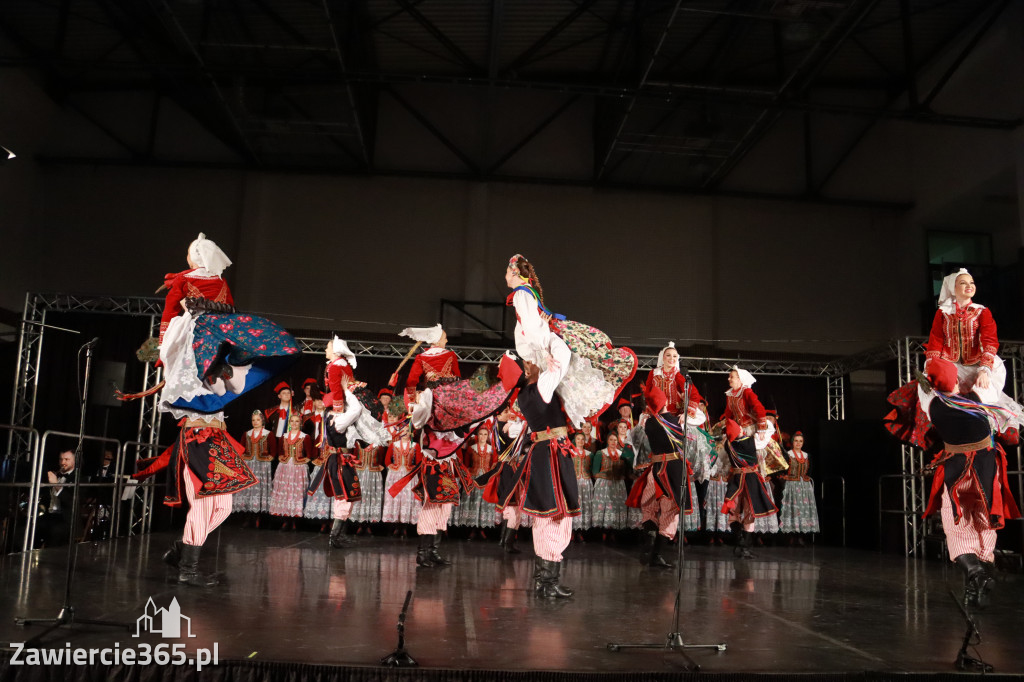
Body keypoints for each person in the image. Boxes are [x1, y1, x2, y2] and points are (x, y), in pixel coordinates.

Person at [134, 233, 298, 586]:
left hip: (217, 430)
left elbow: (233, 322)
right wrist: (164, 344)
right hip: (194, 435)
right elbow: (165, 320)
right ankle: (189, 569)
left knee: (223, 506)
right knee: (204, 503)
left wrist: (234, 345)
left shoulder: (220, 290)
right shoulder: (183, 288)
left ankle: (182, 549)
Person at [913, 358, 1020, 609]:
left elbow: (926, 385)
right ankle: (979, 579)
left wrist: (931, 370)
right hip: (984, 468)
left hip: (956, 470)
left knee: (957, 525)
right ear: (958, 382)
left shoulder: (932, 405)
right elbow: (996, 366)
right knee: (985, 521)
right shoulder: (981, 395)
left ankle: (975, 577)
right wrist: (983, 368)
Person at [505, 254, 636, 427]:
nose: (505, 276)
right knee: (568, 370)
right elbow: (532, 324)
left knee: (563, 365)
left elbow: (530, 326)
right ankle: (562, 407)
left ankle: (558, 408)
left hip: (543, 340)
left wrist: (544, 352)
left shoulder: (521, 294)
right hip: (545, 338)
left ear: (514, 274)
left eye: (507, 272)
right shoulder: (527, 292)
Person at [493, 353, 580, 599]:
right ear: (527, 373)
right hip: (551, 454)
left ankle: (545, 581)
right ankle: (548, 582)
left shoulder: (526, 394)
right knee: (555, 517)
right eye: (528, 362)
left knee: (547, 517)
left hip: (546, 453)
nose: (534, 362)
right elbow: (559, 363)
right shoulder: (538, 388)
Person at [627, 386, 696, 567]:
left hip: (655, 468)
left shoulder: (649, 422)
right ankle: (657, 554)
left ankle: (649, 540)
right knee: (670, 511)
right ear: (665, 401)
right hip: (672, 469)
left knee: (649, 503)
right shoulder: (676, 421)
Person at [719, 418, 778, 559]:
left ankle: (740, 543)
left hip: (736, 481)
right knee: (749, 512)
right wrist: (761, 424)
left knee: (733, 511)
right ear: (739, 429)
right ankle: (744, 547)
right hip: (751, 480)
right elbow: (770, 429)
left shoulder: (728, 444)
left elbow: (722, 459)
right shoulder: (753, 441)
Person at [269, 413, 313, 529]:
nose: (294, 423)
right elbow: (280, 452)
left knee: (296, 493)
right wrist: (283, 460)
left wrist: (300, 462)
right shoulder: (284, 436)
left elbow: (309, 455)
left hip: (298, 468)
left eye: (297, 421)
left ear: (301, 423)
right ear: (289, 423)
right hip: (284, 467)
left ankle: (295, 520)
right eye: (292, 421)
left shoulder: (305, 437)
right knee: (285, 493)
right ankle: (286, 518)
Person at [235, 410, 276, 526]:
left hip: (262, 466)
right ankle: (248, 516)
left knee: (260, 489)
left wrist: (269, 458)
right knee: (248, 490)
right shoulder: (247, 434)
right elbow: (241, 448)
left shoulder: (268, 434)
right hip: (249, 465)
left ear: (262, 420)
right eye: (253, 420)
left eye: (258, 420)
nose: (255, 422)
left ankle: (258, 517)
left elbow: (273, 451)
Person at [778, 431, 819, 544]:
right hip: (791, 485)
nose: (798, 443)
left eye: (800, 441)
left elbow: (809, 471)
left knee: (802, 510)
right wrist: (784, 478)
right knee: (792, 510)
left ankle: (800, 536)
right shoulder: (788, 454)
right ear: (792, 442)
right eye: (796, 441)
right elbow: (782, 469)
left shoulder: (807, 456)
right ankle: (790, 536)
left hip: (804, 486)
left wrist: (805, 480)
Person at [381, 425, 422, 534]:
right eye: (402, 431)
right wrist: (393, 469)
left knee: (406, 499)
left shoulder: (415, 445)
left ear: (411, 433)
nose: (404, 433)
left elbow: (419, 462)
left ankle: (405, 527)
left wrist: (412, 470)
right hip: (395, 476)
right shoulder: (393, 445)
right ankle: (396, 526)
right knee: (396, 498)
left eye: (407, 431)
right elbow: (387, 461)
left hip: (409, 476)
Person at [590, 433, 630, 537]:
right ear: (608, 441)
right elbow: (594, 472)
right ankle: (603, 531)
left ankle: (613, 531)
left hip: (617, 485)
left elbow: (625, 472)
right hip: (604, 485)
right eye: (611, 440)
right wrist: (604, 476)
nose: (613, 442)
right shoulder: (600, 453)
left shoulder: (621, 454)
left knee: (615, 507)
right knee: (604, 506)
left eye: (615, 440)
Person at [36, 450, 77, 547]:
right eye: (61, 459)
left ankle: (49, 559)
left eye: (67, 459)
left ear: (74, 461)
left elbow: (71, 501)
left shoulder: (79, 478)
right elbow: (46, 497)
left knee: (54, 531)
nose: (63, 462)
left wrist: (56, 484)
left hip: (66, 519)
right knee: (30, 526)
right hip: (49, 515)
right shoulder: (56, 475)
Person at [570, 430, 594, 541]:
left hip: (585, 482)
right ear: (575, 440)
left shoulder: (589, 454)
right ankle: (570, 531)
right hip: (574, 482)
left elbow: (591, 469)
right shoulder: (570, 452)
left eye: (582, 439)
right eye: (578, 439)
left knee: (583, 506)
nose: (580, 441)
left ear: (585, 441)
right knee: (573, 505)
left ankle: (580, 531)